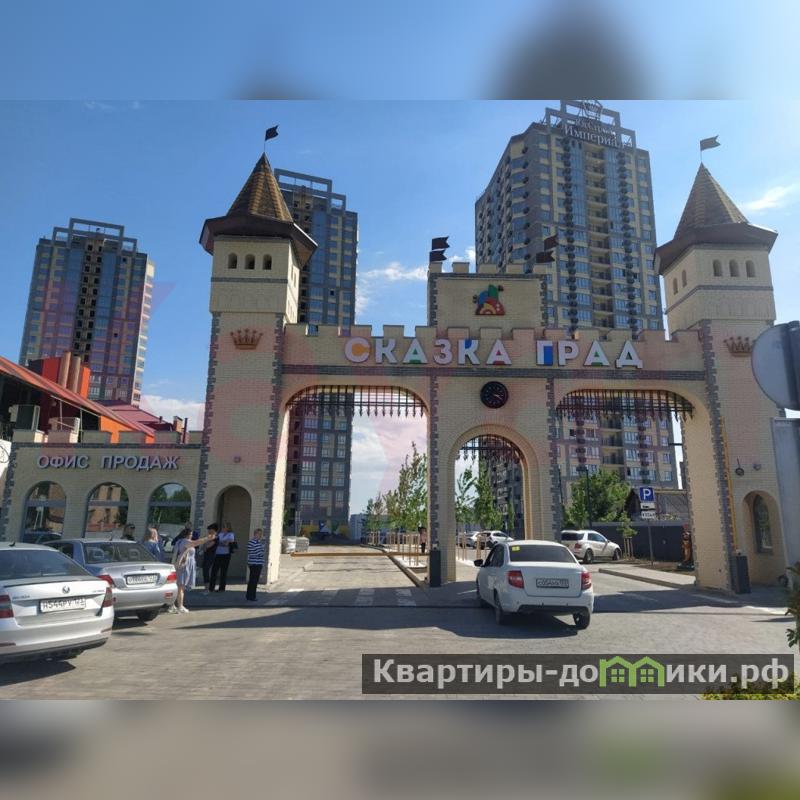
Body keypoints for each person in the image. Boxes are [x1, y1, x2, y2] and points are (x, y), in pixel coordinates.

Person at [172, 527, 217, 613]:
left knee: (179, 587)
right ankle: (180, 606)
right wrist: (208, 538)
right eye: (191, 534)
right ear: (187, 535)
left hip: (182, 565)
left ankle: (174, 605)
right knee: (181, 587)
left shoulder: (179, 541)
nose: (192, 536)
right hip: (184, 566)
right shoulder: (186, 541)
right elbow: (196, 543)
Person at [208, 522, 236, 593]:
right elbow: (215, 542)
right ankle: (211, 588)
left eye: (224, 526)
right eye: (222, 526)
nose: (223, 528)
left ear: (228, 528)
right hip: (217, 555)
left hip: (226, 555)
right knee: (214, 571)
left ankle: (222, 588)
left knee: (223, 572)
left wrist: (220, 542)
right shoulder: (219, 534)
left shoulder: (231, 534)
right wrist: (222, 542)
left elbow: (227, 544)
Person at [246, 528, 266, 601]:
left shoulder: (259, 542)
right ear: (255, 534)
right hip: (254, 564)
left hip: (259, 563)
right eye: (259, 534)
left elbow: (261, 552)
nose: (260, 535)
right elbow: (256, 553)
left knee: (255, 580)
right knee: (253, 580)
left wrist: (260, 551)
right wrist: (260, 552)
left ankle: (251, 596)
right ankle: (251, 596)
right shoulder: (251, 542)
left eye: (261, 534)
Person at [201, 523, 219, 593]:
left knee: (206, 571)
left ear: (213, 530)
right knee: (204, 571)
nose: (208, 531)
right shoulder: (210, 537)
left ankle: (207, 589)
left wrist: (206, 541)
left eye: (209, 530)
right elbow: (204, 548)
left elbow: (207, 546)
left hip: (211, 556)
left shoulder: (216, 537)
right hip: (206, 555)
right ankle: (206, 588)